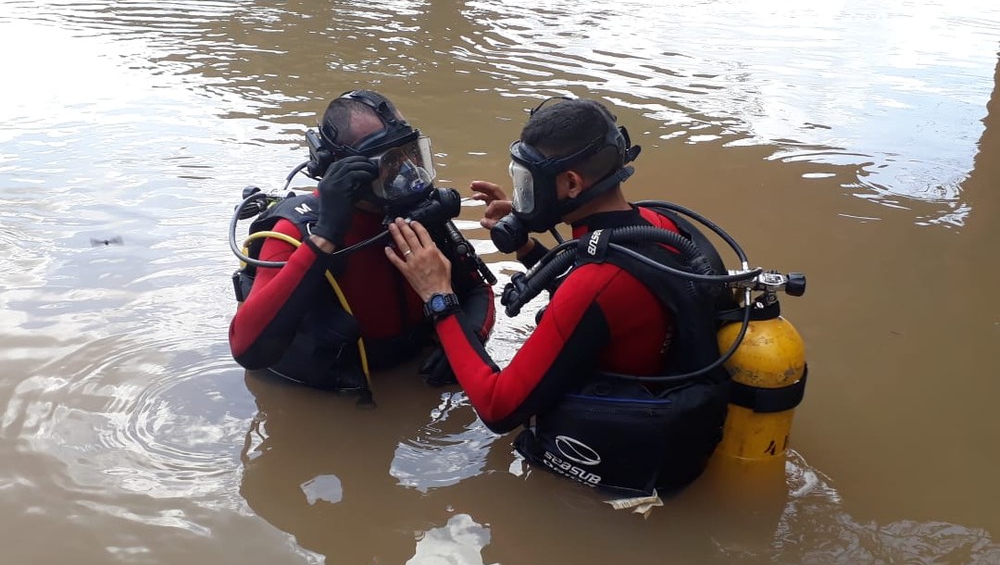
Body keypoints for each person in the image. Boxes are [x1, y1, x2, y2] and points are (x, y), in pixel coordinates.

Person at [385, 97, 733, 496]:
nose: (522, 195)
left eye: (529, 182)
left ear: (570, 184)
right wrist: (528, 250)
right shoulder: (660, 224)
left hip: (614, 464)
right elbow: (610, 298)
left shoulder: (597, 284)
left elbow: (498, 408)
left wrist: (438, 296)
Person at [229, 90, 495, 396]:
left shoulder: (420, 212)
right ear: (345, 169)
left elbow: (476, 289)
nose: (407, 171)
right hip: (328, 404)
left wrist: (467, 340)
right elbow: (247, 350)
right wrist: (324, 238)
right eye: (389, 161)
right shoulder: (294, 233)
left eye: (410, 152)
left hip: (413, 378)